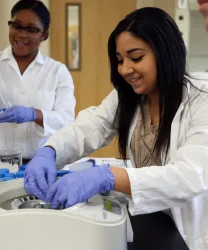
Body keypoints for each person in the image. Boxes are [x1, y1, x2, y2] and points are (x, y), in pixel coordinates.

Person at [24, 7, 208, 250]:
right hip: (152, 218)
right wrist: (50, 151)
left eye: (136, 57)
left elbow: (189, 176)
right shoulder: (131, 96)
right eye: (120, 60)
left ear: (165, 52)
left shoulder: (201, 99)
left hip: (191, 230)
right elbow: (92, 125)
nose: (124, 69)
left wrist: (107, 176)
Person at [0, 0, 75, 160]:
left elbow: (67, 121)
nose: (21, 34)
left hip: (39, 164)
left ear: (44, 35)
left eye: (31, 29)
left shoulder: (57, 72)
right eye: (16, 26)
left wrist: (33, 114)